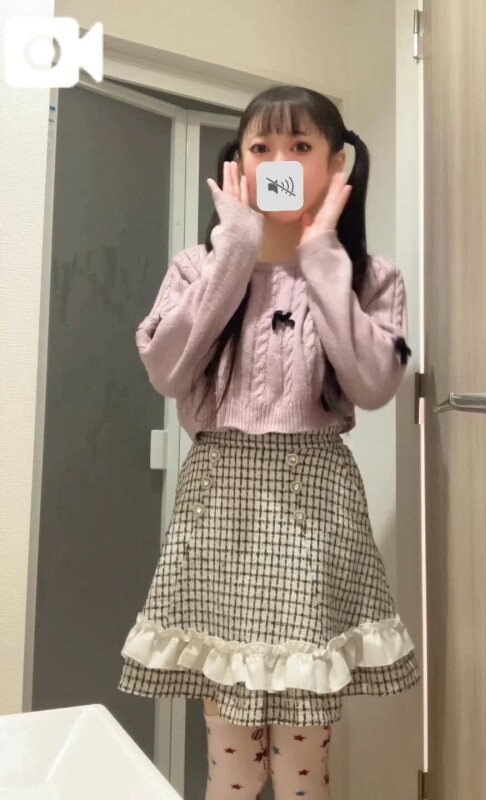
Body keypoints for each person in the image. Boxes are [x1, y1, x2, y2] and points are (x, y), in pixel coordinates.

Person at [118, 84, 420, 799]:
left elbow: (376, 384)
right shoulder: (196, 267)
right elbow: (166, 370)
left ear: (337, 164)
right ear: (239, 164)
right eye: (262, 148)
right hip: (221, 511)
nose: (278, 161)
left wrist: (321, 254)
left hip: (315, 507)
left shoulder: (372, 278)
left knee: (304, 747)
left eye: (300, 146)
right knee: (229, 747)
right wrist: (235, 248)